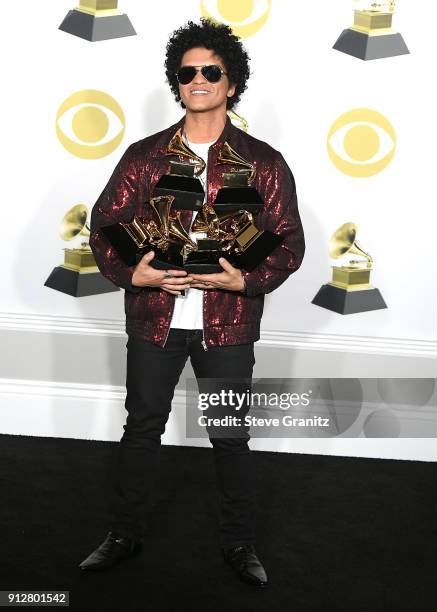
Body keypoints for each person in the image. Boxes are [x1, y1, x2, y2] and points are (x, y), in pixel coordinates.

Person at [78, 18, 305, 588]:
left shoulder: (264, 162)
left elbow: (289, 240)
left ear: (232, 83)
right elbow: (104, 225)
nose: (198, 80)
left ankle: (238, 542)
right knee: (142, 427)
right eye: (187, 72)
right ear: (176, 82)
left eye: (211, 72)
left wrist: (245, 283)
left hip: (226, 324)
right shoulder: (144, 156)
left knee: (229, 433)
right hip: (154, 319)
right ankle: (123, 533)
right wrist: (134, 272)